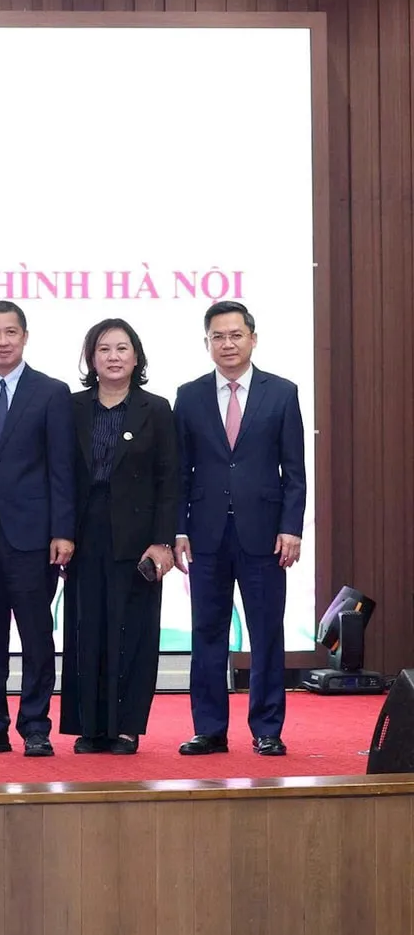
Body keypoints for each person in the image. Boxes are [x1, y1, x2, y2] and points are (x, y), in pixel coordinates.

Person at [174, 301, 306, 757]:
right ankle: (209, 729)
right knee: (206, 632)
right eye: (218, 336)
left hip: (265, 534)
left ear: (253, 338)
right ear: (206, 342)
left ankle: (267, 728)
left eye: (235, 335)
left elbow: (294, 470)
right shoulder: (189, 395)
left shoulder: (282, 392)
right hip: (205, 534)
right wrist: (178, 530)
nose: (227, 344)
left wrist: (291, 528)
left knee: (266, 632)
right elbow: (180, 472)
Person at [0, 301, 76, 758]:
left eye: (10, 332)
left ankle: (36, 726)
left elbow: (62, 467)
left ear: (25, 336)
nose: (2, 341)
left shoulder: (52, 392)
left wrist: (63, 530)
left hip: (34, 537)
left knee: (36, 635)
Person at [62, 319, 179, 753]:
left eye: (122, 348)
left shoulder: (157, 409)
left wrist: (162, 541)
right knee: (86, 629)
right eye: (104, 349)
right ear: (91, 358)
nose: (113, 357)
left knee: (134, 632)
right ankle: (90, 727)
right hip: (83, 535)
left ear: (136, 356)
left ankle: (127, 727)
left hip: (137, 539)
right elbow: (59, 475)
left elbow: (170, 479)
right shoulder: (71, 407)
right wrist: (60, 533)